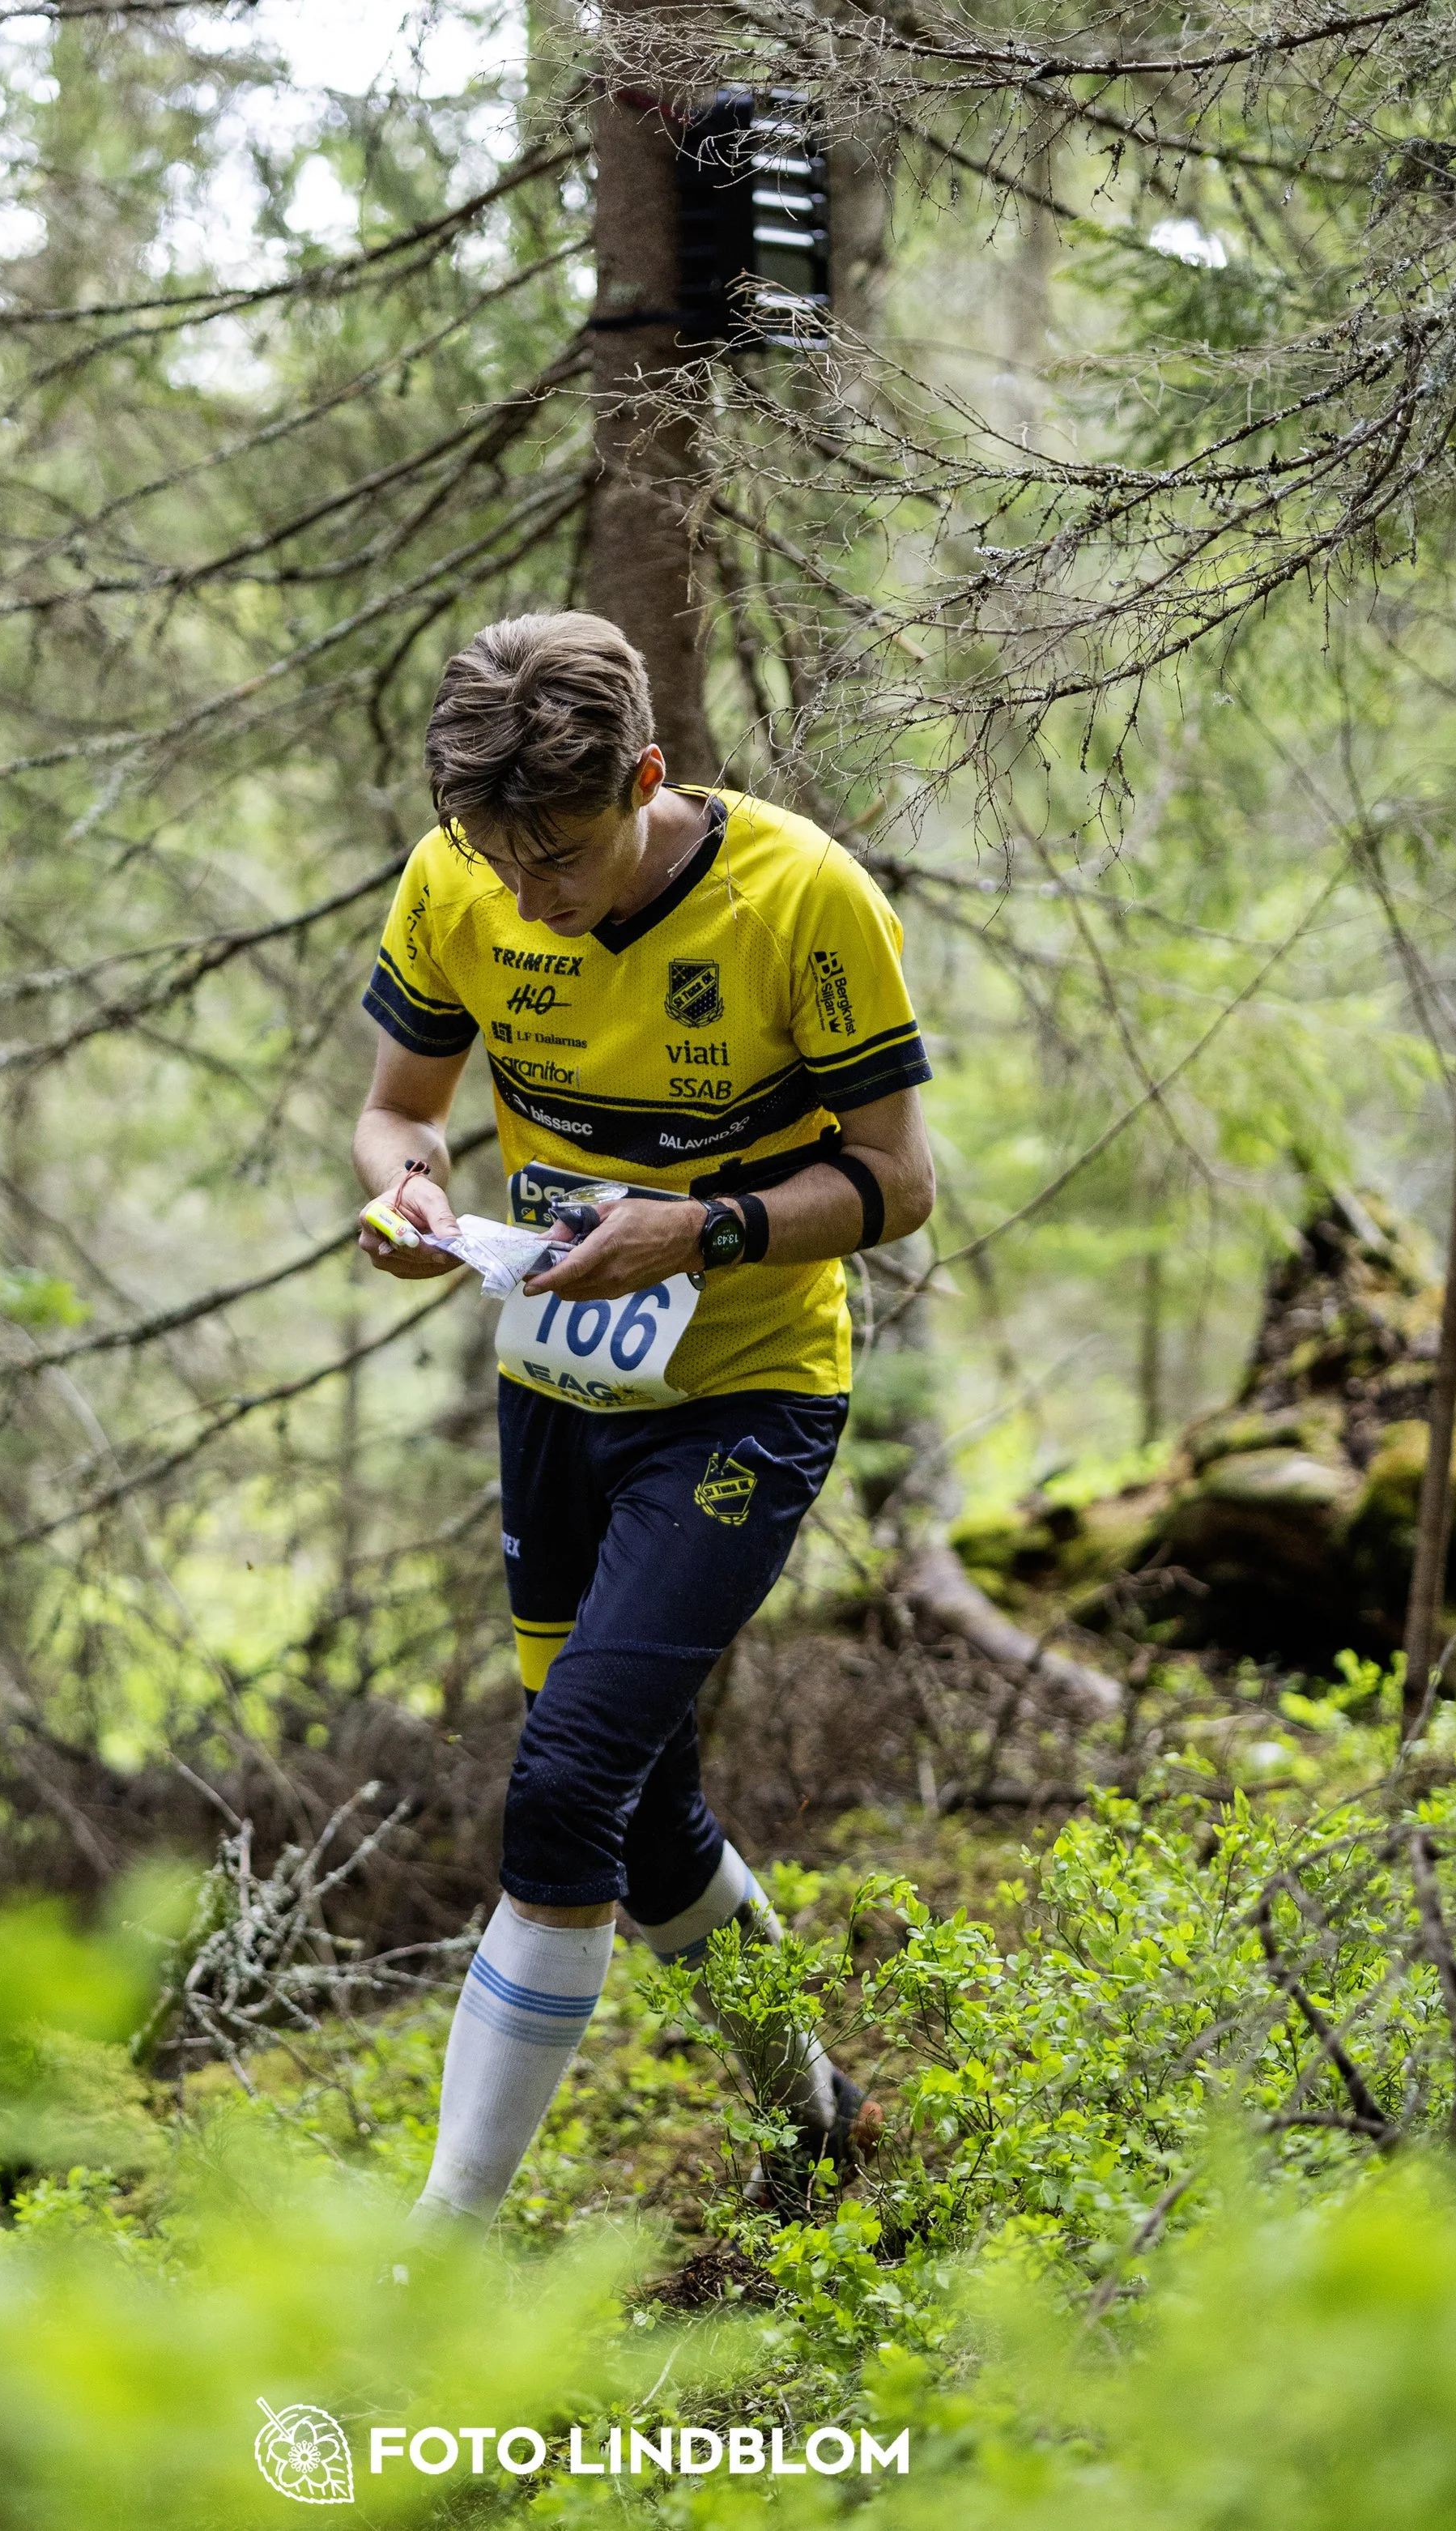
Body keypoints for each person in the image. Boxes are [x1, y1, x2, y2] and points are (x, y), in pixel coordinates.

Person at [351, 611, 934, 2235]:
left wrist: (700, 1226)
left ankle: (436, 2254)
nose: (528, 892)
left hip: (742, 1391)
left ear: (649, 780)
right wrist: (405, 1184)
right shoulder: (453, 876)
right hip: (555, 1382)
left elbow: (896, 1180)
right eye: (497, 854)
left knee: (562, 1788)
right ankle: (820, 2112)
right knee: (639, 1795)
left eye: (563, 854)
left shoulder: (801, 897)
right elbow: (399, 1102)